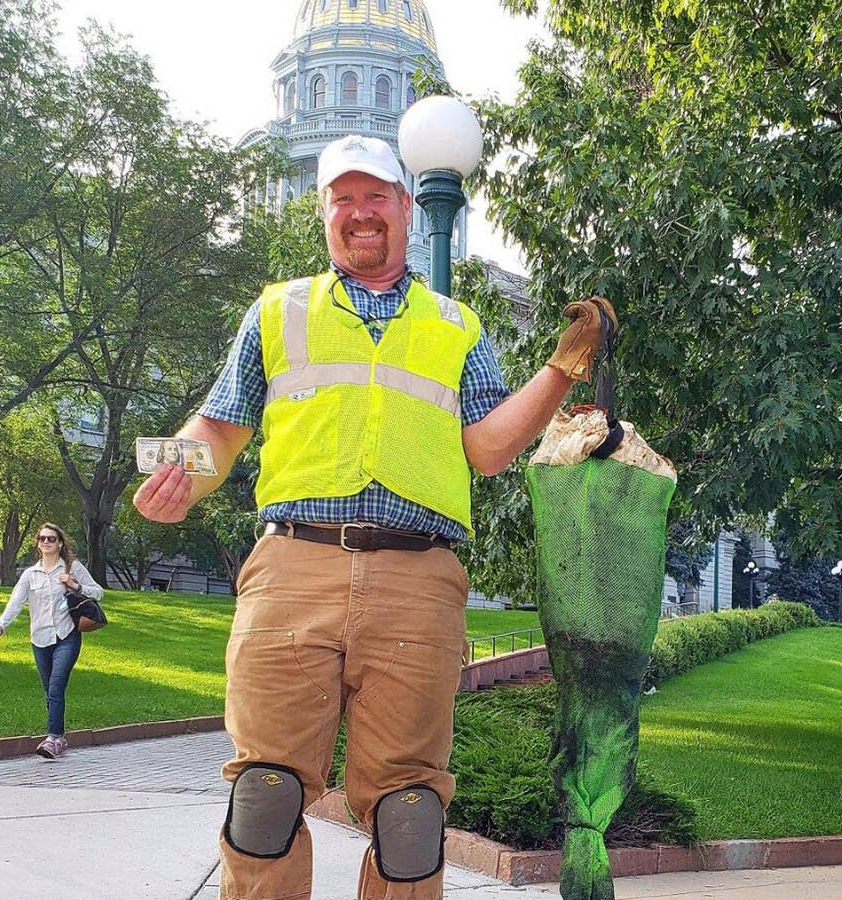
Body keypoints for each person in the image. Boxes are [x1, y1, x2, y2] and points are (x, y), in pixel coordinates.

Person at [133, 134, 613, 900]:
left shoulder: (459, 325)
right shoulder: (276, 310)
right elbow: (219, 429)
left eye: (376, 197)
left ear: (404, 209)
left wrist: (562, 370)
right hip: (293, 566)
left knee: (410, 813)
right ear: (325, 213)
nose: (360, 213)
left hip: (419, 579)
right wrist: (178, 475)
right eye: (342, 198)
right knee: (265, 794)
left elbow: (488, 449)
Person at [0, 522, 103, 760]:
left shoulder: (73, 567)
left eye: (52, 539)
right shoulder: (30, 575)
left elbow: (99, 592)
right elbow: (16, 602)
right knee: (49, 690)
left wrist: (75, 585)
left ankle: (52, 738)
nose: (47, 542)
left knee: (56, 685)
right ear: (38, 544)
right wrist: (1, 625)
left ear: (60, 543)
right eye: (42, 539)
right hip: (40, 638)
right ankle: (59, 737)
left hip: (66, 636)